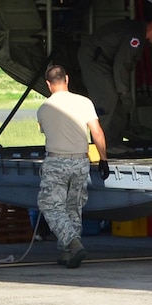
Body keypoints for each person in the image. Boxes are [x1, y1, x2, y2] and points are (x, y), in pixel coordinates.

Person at [36, 64, 109, 268]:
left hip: (56, 160)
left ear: (48, 84)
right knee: (73, 207)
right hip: (80, 161)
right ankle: (68, 253)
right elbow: (97, 132)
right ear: (67, 79)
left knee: (50, 204)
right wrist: (103, 159)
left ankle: (71, 242)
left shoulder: (44, 108)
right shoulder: (84, 102)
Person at [76, 14, 152, 144]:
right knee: (107, 97)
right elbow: (121, 66)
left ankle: (112, 141)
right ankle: (100, 145)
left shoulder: (137, 31)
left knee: (115, 101)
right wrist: (124, 92)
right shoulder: (136, 36)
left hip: (100, 60)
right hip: (95, 60)